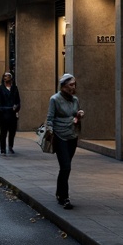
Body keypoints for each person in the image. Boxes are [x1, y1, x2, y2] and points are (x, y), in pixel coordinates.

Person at [46, 73, 84, 208]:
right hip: (59, 136)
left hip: (72, 136)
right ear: (63, 86)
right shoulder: (55, 99)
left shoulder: (75, 100)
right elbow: (50, 118)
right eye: (70, 85)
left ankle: (59, 192)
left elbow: (76, 113)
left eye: (74, 85)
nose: (73, 87)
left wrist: (79, 115)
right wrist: (50, 132)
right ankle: (65, 197)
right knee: (66, 166)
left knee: (65, 168)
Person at [0, 71, 21, 155]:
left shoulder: (15, 88)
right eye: (5, 76)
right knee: (3, 132)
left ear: (11, 78)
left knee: (12, 132)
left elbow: (18, 100)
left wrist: (17, 107)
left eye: (8, 76)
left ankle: (10, 146)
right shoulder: (0, 88)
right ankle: (3, 149)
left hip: (12, 114)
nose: (6, 78)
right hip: (3, 114)